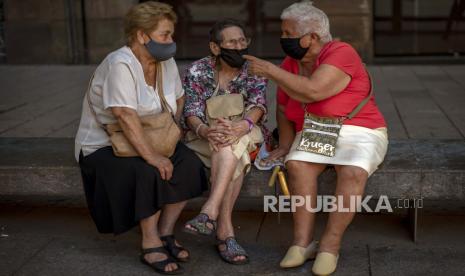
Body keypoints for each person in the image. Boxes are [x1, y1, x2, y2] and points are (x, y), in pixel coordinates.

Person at [243, 2, 388, 275]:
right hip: (316, 130)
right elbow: (284, 108)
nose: (284, 39)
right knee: (297, 165)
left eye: (289, 33)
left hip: (359, 129)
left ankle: (330, 246)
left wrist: (271, 71)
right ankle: (302, 243)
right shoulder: (291, 63)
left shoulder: (342, 52)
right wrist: (285, 144)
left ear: (313, 37)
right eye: (282, 32)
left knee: (353, 171)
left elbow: (313, 91)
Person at [74, 2, 207, 274]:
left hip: (151, 135)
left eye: (171, 34)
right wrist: (154, 155)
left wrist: (171, 131)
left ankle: (165, 232)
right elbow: (124, 115)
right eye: (164, 35)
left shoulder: (164, 61)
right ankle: (150, 242)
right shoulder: (119, 64)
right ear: (141, 35)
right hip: (106, 145)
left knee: (190, 165)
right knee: (149, 171)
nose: (171, 41)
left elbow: (179, 97)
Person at [181, 19, 268, 265]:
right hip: (206, 134)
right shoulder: (198, 70)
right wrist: (207, 131)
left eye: (243, 41)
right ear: (215, 47)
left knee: (231, 142)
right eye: (232, 42)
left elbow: (257, 105)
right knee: (231, 152)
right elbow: (191, 111)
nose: (239, 46)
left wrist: (242, 125)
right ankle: (225, 233)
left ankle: (209, 211)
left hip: (247, 131)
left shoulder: (254, 68)